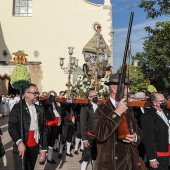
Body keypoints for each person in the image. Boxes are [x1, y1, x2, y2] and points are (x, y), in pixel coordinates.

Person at [94, 73, 145, 170]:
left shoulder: (128, 108)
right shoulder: (102, 109)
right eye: (126, 88)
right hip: (111, 165)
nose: (129, 91)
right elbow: (100, 135)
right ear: (114, 89)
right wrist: (117, 113)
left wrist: (135, 137)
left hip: (128, 163)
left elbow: (138, 131)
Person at [8, 83, 48, 170]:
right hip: (21, 146)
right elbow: (12, 127)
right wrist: (19, 142)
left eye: (37, 93)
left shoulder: (40, 109)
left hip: (34, 147)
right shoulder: (18, 108)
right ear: (26, 94)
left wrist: (44, 149)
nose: (37, 95)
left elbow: (44, 129)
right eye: (35, 93)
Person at [141, 92, 170, 170]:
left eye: (164, 100)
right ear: (154, 103)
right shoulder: (147, 117)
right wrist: (152, 158)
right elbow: (148, 139)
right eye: (161, 101)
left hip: (167, 151)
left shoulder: (166, 112)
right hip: (158, 154)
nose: (164, 103)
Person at [41, 90, 65, 164]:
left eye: (54, 95)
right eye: (51, 95)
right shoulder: (44, 102)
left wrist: (59, 105)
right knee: (44, 141)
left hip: (55, 124)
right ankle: (42, 158)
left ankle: (49, 158)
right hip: (48, 124)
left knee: (52, 141)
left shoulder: (56, 104)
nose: (53, 97)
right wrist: (51, 98)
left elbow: (62, 112)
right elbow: (46, 104)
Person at [80, 89, 98, 170]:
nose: (95, 97)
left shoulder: (100, 107)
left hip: (98, 136)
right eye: (93, 96)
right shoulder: (85, 108)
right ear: (89, 98)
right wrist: (84, 139)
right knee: (86, 155)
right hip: (89, 135)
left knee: (95, 155)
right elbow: (83, 124)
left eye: (96, 96)